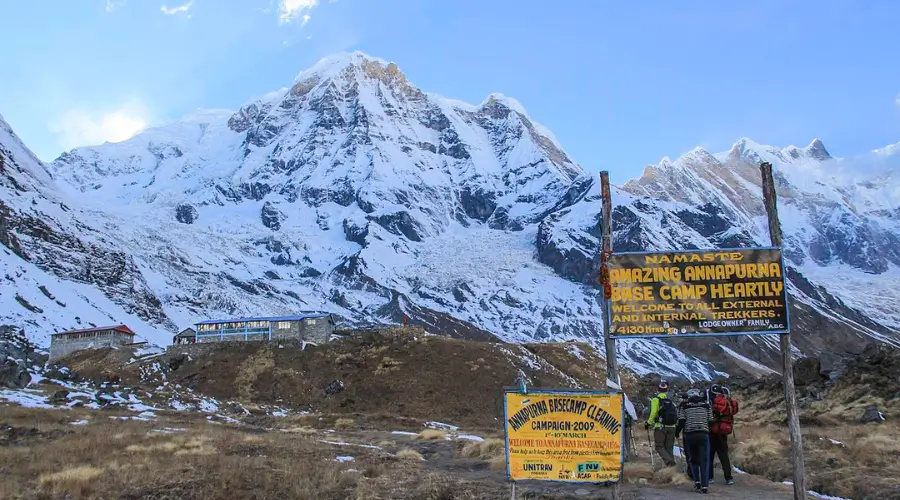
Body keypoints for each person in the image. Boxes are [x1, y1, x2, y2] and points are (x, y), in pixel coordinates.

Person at [676, 388, 713, 493]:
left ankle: (697, 481)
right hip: (703, 434)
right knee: (704, 460)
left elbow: (682, 421)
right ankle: (705, 485)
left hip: (690, 435)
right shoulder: (706, 405)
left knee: (693, 459)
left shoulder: (685, 406)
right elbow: (711, 421)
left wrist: (676, 432)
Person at [645, 380, 678, 467]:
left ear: (658, 390)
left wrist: (648, 423)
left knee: (659, 447)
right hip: (672, 427)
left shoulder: (655, 400)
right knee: (669, 447)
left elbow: (653, 413)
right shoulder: (670, 401)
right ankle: (671, 470)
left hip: (660, 427)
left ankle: (669, 462)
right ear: (666, 390)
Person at [710, 385, 738, 485]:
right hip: (724, 431)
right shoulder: (728, 402)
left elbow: (712, 416)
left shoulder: (715, 402)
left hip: (713, 431)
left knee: (710, 455)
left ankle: (710, 478)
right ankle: (728, 478)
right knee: (724, 455)